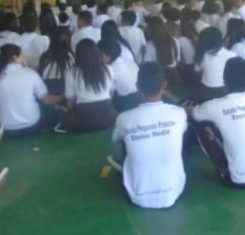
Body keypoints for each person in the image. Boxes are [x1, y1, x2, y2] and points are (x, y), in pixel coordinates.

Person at [189, 57, 245, 188]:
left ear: (224, 80)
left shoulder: (214, 106)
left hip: (237, 180)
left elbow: (193, 113)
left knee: (200, 123)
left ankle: (222, 168)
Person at [109, 62, 187, 209]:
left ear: (137, 86)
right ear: (164, 85)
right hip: (174, 192)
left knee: (127, 139)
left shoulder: (124, 118)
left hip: (138, 196)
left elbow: (115, 139)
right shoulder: (178, 113)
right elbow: (182, 130)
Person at [0, 44, 62, 137]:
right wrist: (63, 96)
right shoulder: (30, 73)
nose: (24, 56)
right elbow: (47, 99)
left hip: (5, 131)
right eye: (21, 54)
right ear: (15, 57)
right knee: (46, 107)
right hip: (32, 127)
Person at [56, 39, 117, 133]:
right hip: (109, 118)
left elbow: (70, 103)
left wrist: (70, 114)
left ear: (78, 55)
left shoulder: (71, 73)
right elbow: (111, 94)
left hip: (85, 121)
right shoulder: (108, 69)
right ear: (97, 53)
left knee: (62, 115)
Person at [193, 27, 236, 102]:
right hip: (225, 92)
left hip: (206, 92)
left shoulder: (203, 55)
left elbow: (196, 70)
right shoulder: (232, 54)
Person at [98, 38, 140, 113]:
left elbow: (110, 96)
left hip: (125, 104)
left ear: (104, 55)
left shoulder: (108, 70)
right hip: (141, 99)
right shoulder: (130, 61)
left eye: (99, 54)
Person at [143, 17, 180, 86]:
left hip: (158, 77)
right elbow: (177, 59)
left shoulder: (149, 45)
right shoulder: (174, 40)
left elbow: (147, 64)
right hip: (174, 76)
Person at [38, 28, 74, 96]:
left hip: (47, 92)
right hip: (66, 92)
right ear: (67, 43)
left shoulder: (44, 57)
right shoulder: (71, 57)